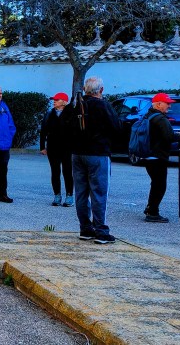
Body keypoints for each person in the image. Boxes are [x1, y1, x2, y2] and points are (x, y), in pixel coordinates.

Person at [63, 76, 121, 244]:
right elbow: (116, 127)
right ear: (101, 90)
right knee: (99, 192)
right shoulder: (103, 105)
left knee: (81, 192)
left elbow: (63, 127)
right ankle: (101, 230)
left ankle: (85, 228)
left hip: (77, 153)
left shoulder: (75, 106)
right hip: (98, 153)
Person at [142, 93, 180, 223]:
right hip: (159, 156)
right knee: (160, 185)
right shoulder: (161, 119)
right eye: (167, 103)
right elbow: (168, 137)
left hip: (148, 155)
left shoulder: (148, 116)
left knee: (155, 183)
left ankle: (150, 207)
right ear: (158, 104)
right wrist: (178, 136)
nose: (169, 106)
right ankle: (153, 212)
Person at [40, 92, 73, 207]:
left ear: (64, 102)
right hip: (53, 148)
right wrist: (42, 147)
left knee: (67, 171)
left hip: (67, 148)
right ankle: (57, 195)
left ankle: (69, 195)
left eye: (57, 100)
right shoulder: (49, 114)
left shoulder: (71, 114)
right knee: (55, 172)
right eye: (54, 100)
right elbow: (43, 131)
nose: (54, 101)